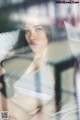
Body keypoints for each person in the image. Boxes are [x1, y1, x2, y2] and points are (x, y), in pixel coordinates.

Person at [0, 21, 55, 120]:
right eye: (27, 30)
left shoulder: (58, 65)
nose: (32, 36)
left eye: (38, 29)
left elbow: (65, 98)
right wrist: (18, 113)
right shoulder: (16, 55)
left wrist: (46, 111)